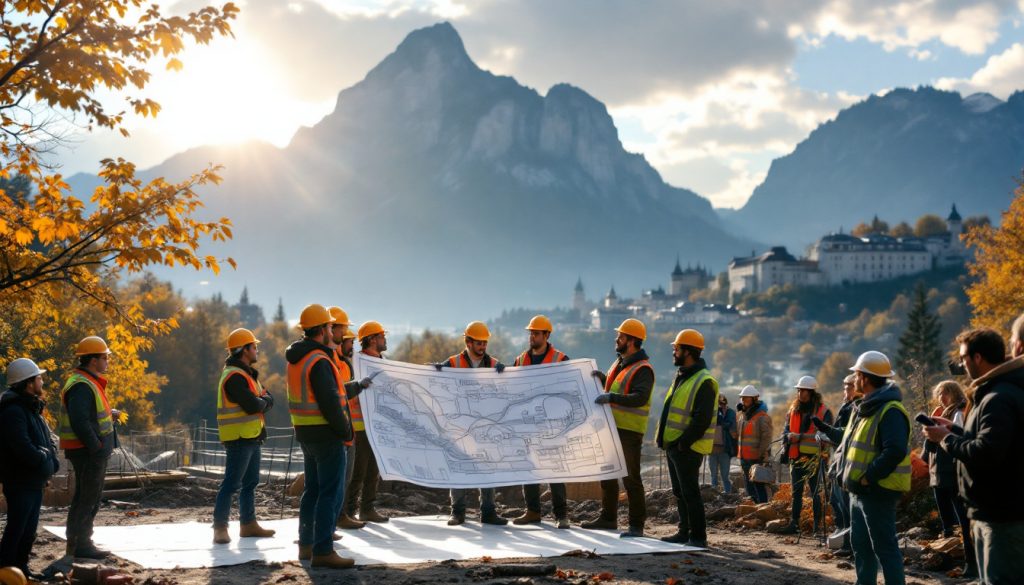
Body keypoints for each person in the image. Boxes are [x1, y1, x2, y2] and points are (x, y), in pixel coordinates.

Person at [924, 324, 1024, 585]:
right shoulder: (995, 393)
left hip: (1001, 516)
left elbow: (987, 452)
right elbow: (991, 441)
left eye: (963, 357)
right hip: (993, 512)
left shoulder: (998, 397)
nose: (961, 364)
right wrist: (955, 429)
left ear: (977, 358)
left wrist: (946, 439)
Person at [287, 304, 370, 569]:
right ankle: (323, 550)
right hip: (326, 434)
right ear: (323, 329)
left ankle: (306, 544)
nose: (333, 331)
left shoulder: (298, 358)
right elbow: (331, 402)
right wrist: (346, 432)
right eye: (330, 327)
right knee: (329, 492)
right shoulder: (320, 361)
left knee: (312, 490)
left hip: (306, 432)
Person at [835, 351, 910, 585]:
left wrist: (868, 478)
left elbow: (895, 450)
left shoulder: (890, 410)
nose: (855, 379)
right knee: (862, 547)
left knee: (884, 548)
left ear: (865, 378)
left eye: (856, 374)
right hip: (860, 490)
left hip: (877, 490)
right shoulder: (866, 408)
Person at [583, 318, 655, 537]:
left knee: (631, 478)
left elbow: (639, 397)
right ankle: (608, 519)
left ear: (632, 341)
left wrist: (611, 397)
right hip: (611, 428)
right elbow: (618, 387)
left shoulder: (643, 369)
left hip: (628, 431)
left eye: (621, 336)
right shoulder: (620, 363)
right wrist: (603, 378)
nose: (617, 339)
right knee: (608, 475)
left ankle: (636, 525)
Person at [58, 336, 124, 560]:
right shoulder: (82, 385)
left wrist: (108, 415)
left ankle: (78, 542)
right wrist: (96, 446)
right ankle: (81, 545)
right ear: (93, 360)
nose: (107, 361)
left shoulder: (86, 382)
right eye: (105, 357)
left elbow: (88, 416)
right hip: (88, 452)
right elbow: (80, 421)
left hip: (88, 451)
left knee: (86, 497)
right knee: (88, 498)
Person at [437, 321, 509, 527]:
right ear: (468, 342)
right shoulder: (452, 363)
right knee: (459, 468)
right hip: (459, 427)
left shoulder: (494, 364)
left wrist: (506, 374)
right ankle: (457, 512)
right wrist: (435, 372)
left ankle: (488, 512)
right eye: (478, 343)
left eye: (485, 343)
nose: (483, 347)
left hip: (484, 427)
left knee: (487, 468)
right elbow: (436, 381)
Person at [212, 328, 277, 544]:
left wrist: (263, 400)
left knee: (250, 483)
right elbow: (252, 405)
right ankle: (220, 528)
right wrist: (263, 401)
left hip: (252, 436)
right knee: (231, 484)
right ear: (244, 350)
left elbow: (267, 397)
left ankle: (248, 524)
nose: (257, 350)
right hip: (239, 438)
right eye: (254, 346)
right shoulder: (234, 377)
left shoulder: (247, 374)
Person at [656, 329, 717, 547]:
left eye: (677, 349)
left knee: (690, 493)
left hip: (687, 447)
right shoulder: (684, 375)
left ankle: (698, 537)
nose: (674, 352)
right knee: (680, 492)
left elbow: (701, 420)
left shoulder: (704, 381)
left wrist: (683, 443)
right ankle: (684, 532)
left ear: (688, 351)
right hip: (675, 445)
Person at [0, 358, 59, 579]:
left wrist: (50, 459)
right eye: (38, 377)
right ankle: (5, 571)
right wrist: (45, 459)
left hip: (32, 481)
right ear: (28, 383)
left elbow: (47, 440)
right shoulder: (13, 411)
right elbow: (23, 447)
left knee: (28, 529)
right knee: (17, 528)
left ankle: (21, 569)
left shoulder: (31, 407)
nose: (41, 381)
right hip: (20, 481)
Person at [511, 315, 571, 529]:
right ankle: (533, 512)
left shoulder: (560, 359)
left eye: (536, 333)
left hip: (553, 425)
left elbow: (570, 388)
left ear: (547, 335)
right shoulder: (520, 360)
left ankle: (561, 516)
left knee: (555, 471)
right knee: (530, 469)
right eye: (531, 333)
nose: (532, 336)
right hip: (528, 425)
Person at [920, 380, 975, 578]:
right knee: (947, 522)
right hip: (939, 473)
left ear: (954, 393)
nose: (941, 397)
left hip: (952, 473)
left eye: (945, 393)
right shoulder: (940, 413)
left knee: (962, 520)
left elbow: (959, 442)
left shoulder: (959, 412)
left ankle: (969, 561)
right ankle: (948, 556)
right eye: (939, 393)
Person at [343, 320, 390, 524]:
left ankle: (367, 509)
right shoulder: (357, 362)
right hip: (360, 424)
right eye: (381, 335)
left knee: (374, 469)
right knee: (358, 471)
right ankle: (349, 511)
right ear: (372, 339)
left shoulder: (383, 362)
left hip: (378, 425)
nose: (384, 338)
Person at [328, 307, 367, 530]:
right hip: (339, 428)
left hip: (344, 426)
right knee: (338, 479)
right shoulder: (333, 362)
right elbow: (339, 394)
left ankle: (339, 516)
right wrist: (358, 386)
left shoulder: (340, 362)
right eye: (348, 337)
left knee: (346, 477)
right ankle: (335, 519)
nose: (352, 344)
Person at [781, 375, 833, 535]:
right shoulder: (792, 410)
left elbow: (827, 435)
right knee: (796, 493)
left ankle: (817, 527)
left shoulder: (824, 412)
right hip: (795, 456)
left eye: (804, 391)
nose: (800, 393)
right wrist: (787, 437)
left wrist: (801, 436)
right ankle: (794, 524)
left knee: (815, 493)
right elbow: (786, 430)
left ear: (811, 392)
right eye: (799, 390)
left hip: (815, 459)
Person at [815, 373, 860, 555]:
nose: (845, 390)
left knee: (846, 503)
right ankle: (842, 537)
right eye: (845, 387)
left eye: (849, 387)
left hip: (848, 460)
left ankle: (849, 544)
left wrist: (827, 431)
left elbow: (846, 433)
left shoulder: (856, 407)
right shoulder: (847, 406)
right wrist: (827, 434)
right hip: (839, 458)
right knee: (836, 501)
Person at [736, 385, 772, 504]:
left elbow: (766, 438)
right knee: (749, 487)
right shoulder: (742, 416)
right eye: (743, 398)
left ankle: (762, 508)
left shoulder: (762, 417)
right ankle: (753, 510)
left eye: (746, 398)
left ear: (754, 399)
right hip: (744, 458)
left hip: (756, 458)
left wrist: (761, 455)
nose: (744, 401)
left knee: (758, 486)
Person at [708, 395, 737, 493]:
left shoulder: (731, 413)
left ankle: (728, 494)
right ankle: (715, 495)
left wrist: (723, 423)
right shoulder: (712, 415)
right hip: (712, 450)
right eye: (719, 404)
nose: (721, 406)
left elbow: (733, 428)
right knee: (714, 475)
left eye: (722, 404)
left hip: (725, 450)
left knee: (725, 476)